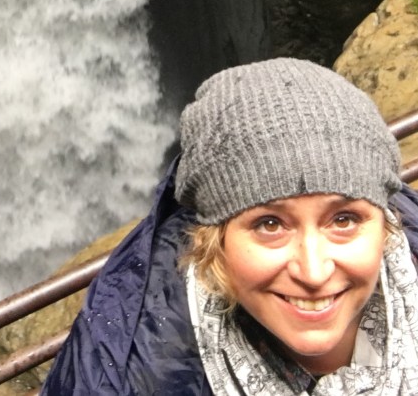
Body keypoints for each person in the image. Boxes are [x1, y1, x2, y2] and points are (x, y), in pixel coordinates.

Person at [41, 58, 418, 395]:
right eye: (270, 224)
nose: (314, 272)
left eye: (343, 220)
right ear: (213, 241)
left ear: (385, 225)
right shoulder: (126, 375)